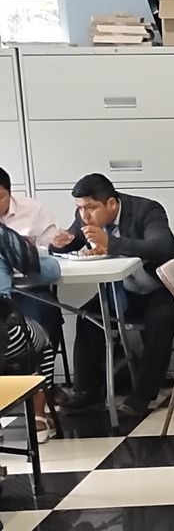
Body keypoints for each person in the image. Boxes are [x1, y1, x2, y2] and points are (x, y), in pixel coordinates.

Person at [52, 171, 174, 429]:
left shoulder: (147, 210)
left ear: (111, 203)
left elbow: (161, 247)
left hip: (160, 290)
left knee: (160, 318)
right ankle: (86, 392)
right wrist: (59, 244)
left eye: (90, 208)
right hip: (123, 292)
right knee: (88, 317)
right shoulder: (85, 218)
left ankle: (142, 395)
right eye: (79, 209)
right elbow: (73, 239)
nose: (83, 216)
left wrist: (112, 242)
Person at [0, 167, 64, 438]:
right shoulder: (3, 237)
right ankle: (39, 416)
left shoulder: (32, 209)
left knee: (44, 311)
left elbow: (55, 244)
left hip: (28, 296)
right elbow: (50, 269)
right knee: (40, 340)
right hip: (6, 326)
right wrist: (23, 249)